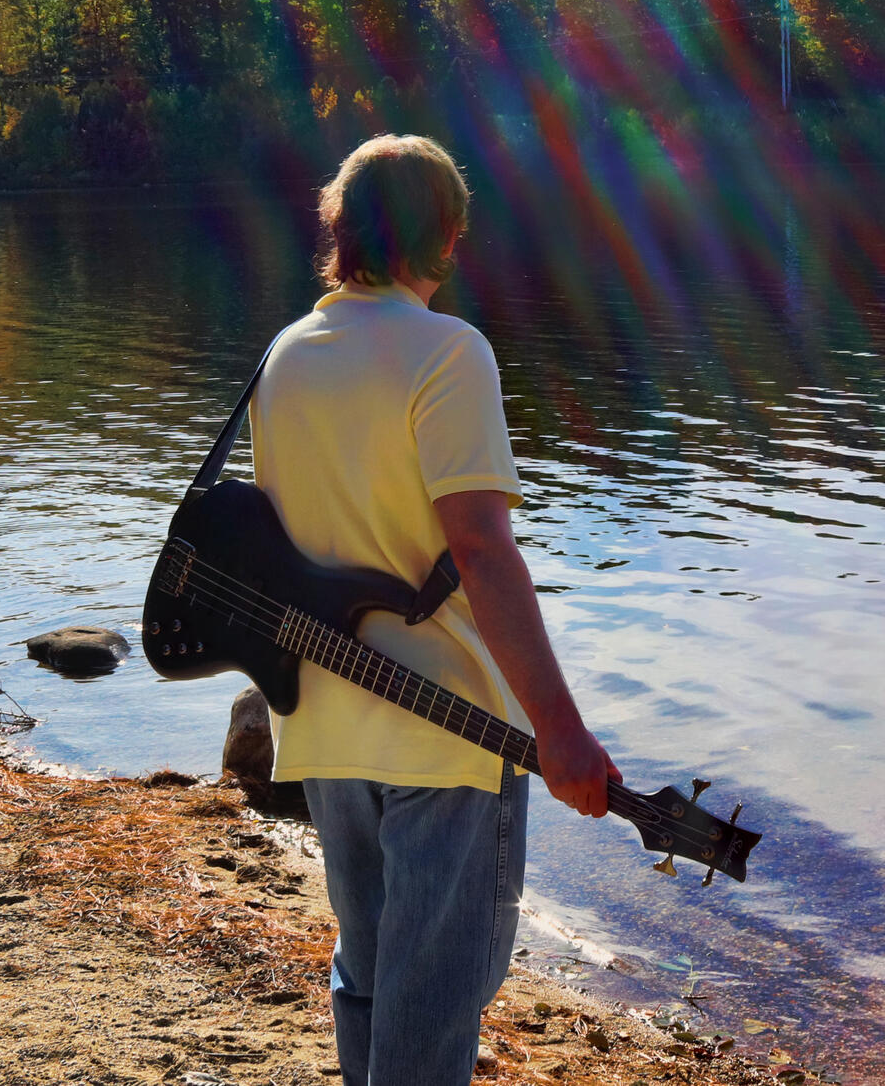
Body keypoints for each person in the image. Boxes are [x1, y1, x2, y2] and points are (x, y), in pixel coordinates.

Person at [249, 133, 619, 1086]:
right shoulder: (449, 353)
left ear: (341, 228)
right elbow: (482, 551)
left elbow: (278, 546)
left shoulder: (285, 356)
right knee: (437, 991)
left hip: (325, 718)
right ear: (447, 236)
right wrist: (561, 729)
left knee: (369, 971)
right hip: (449, 732)